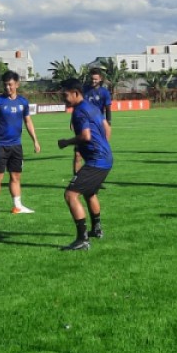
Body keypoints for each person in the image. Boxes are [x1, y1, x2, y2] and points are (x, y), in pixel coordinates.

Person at [56, 78, 112, 250]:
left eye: (65, 94)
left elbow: (86, 136)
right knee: (89, 193)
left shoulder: (79, 111)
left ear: (75, 93)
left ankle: (82, 239)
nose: (63, 98)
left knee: (70, 195)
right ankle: (97, 229)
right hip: (104, 158)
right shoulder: (92, 107)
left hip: (97, 161)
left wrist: (67, 142)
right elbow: (106, 128)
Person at [0, 70, 41, 218]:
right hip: (0, 145)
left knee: (16, 176)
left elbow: (28, 121)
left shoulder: (23, 102)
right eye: (5, 85)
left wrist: (35, 140)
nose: (8, 88)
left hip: (16, 145)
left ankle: (17, 206)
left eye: (10, 85)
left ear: (17, 84)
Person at [73, 67, 113, 174]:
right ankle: (76, 181)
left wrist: (108, 124)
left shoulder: (104, 92)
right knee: (78, 154)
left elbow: (108, 108)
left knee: (97, 154)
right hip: (84, 125)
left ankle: (94, 180)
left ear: (100, 79)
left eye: (95, 79)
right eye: (92, 78)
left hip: (98, 127)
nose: (93, 81)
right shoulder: (84, 90)